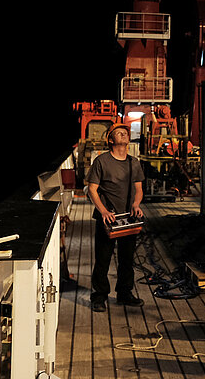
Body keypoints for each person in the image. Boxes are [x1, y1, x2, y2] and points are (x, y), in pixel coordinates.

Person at [86, 122, 146, 312]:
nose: (123, 135)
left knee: (127, 259)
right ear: (111, 140)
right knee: (103, 258)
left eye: (125, 133)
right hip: (108, 217)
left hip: (127, 218)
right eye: (119, 133)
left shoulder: (133, 162)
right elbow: (92, 189)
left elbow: (139, 189)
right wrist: (103, 210)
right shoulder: (102, 161)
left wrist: (136, 204)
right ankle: (99, 296)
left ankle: (124, 293)